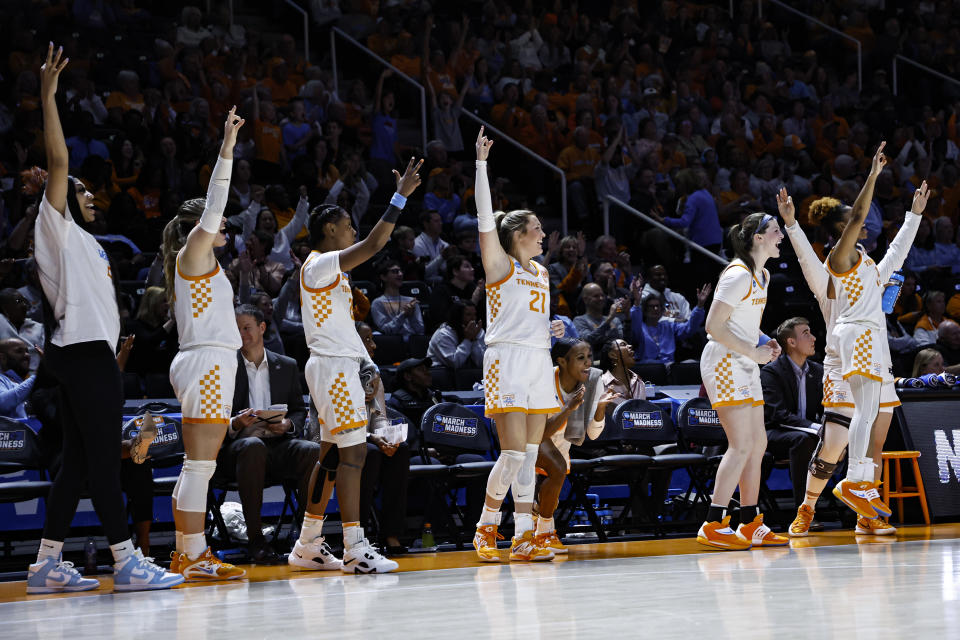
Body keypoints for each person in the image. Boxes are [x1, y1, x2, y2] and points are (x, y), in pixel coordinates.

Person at [28, 43, 182, 594]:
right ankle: (126, 560)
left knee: (75, 465)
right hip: (82, 356)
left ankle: (46, 563)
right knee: (101, 462)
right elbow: (60, 160)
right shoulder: (56, 228)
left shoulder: (94, 245)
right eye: (79, 191)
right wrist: (48, 96)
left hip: (90, 358)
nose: (86, 194)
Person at [777, 159, 929, 538]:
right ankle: (807, 508)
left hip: (874, 353)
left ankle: (866, 512)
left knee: (875, 441)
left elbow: (896, 255)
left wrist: (913, 216)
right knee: (834, 446)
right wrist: (792, 225)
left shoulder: (869, 268)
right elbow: (806, 257)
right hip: (843, 354)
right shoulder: (830, 268)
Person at [289, 156, 422, 575]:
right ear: (330, 229)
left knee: (330, 458)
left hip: (336, 367)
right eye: (347, 225)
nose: (352, 231)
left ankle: (308, 544)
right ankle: (354, 547)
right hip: (332, 368)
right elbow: (373, 246)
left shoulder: (330, 273)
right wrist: (399, 197)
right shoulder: (321, 262)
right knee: (352, 458)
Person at [163, 107, 247, 582]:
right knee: (200, 466)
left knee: (195, 466)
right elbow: (216, 202)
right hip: (207, 364)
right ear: (200, 225)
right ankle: (194, 556)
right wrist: (226, 149)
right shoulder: (193, 252)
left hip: (206, 362)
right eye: (218, 224)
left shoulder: (199, 262)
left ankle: (186, 552)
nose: (224, 229)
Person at [473, 127, 563, 563]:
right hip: (505, 359)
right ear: (517, 235)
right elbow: (484, 221)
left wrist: (552, 329)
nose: (543, 234)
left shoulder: (542, 274)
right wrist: (481, 166)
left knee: (529, 454)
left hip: (537, 361)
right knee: (511, 451)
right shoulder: (499, 264)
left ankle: (524, 534)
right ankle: (486, 526)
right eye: (537, 229)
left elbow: (533, 318)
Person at [696, 209, 788, 550]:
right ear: (758, 237)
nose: (781, 236)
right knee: (741, 445)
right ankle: (713, 522)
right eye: (776, 231)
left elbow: (742, 323)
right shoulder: (737, 274)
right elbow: (713, 326)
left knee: (759, 445)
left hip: (745, 360)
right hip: (724, 361)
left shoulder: (762, 275)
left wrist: (765, 341)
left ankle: (749, 522)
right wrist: (753, 351)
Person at [222, 304, 315, 564]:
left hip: (277, 444)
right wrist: (236, 423)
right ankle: (255, 540)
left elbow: (298, 410)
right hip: (239, 450)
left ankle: (309, 538)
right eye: (237, 329)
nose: (241, 334)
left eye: (246, 328)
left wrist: (287, 424)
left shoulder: (286, 365)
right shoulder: (225, 367)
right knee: (253, 446)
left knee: (311, 450)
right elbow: (215, 417)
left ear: (262, 328)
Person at [536, 338, 616, 554]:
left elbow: (593, 433)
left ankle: (542, 532)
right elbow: (541, 432)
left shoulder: (593, 381)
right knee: (556, 470)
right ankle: (541, 534)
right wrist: (569, 408)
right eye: (581, 358)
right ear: (562, 361)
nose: (588, 363)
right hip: (532, 435)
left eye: (589, 357)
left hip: (561, 444)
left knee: (548, 501)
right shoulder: (543, 380)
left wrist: (600, 408)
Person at [759, 318, 823, 513]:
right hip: (773, 433)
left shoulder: (818, 371)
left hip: (808, 433)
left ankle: (851, 510)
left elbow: (826, 407)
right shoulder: (771, 372)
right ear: (791, 342)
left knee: (843, 436)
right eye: (806, 333)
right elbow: (778, 415)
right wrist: (816, 428)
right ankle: (803, 511)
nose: (813, 338)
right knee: (802, 440)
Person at [357, 323, 410, 554]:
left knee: (400, 450)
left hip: (369, 439)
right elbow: (342, 420)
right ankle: (359, 533)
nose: (374, 345)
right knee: (371, 453)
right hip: (339, 438)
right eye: (367, 339)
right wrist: (373, 439)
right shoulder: (338, 370)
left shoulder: (374, 371)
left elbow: (379, 417)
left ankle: (391, 533)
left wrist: (386, 438)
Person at [629, 279, 709, 366]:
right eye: (651, 306)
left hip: (669, 368)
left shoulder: (668, 326)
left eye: (658, 306)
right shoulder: (640, 328)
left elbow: (689, 328)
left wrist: (700, 305)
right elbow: (634, 321)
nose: (656, 309)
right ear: (645, 309)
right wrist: (637, 303)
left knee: (693, 364)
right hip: (648, 368)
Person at [370, 260, 424, 336]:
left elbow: (420, 330)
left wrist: (411, 316)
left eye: (401, 271)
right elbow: (385, 331)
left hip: (412, 342)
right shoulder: (377, 303)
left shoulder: (411, 301)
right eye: (395, 271)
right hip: (392, 344)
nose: (400, 274)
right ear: (383, 277)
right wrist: (403, 315)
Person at [426, 299, 485, 369]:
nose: (473, 319)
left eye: (474, 314)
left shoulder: (477, 331)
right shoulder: (443, 334)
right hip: (441, 373)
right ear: (457, 316)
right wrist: (468, 340)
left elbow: (482, 363)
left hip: (467, 373)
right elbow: (455, 363)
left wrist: (474, 339)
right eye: (468, 315)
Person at [573, 283, 626, 353]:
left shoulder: (615, 320)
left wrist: (628, 315)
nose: (601, 298)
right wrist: (608, 320)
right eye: (596, 296)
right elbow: (587, 341)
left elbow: (624, 341)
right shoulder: (579, 320)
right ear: (585, 299)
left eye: (602, 295)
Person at [0, 289, 44, 372]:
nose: (24, 305)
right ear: (5, 306)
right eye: (18, 301)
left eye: (24, 301)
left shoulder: (39, 328)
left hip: (33, 375)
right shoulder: (1, 322)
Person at [0, 338, 36, 419]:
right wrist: (37, 376)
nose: (27, 355)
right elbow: (3, 404)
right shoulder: (1, 379)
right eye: (19, 351)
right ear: (2, 358)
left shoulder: (27, 381)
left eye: (27, 351)